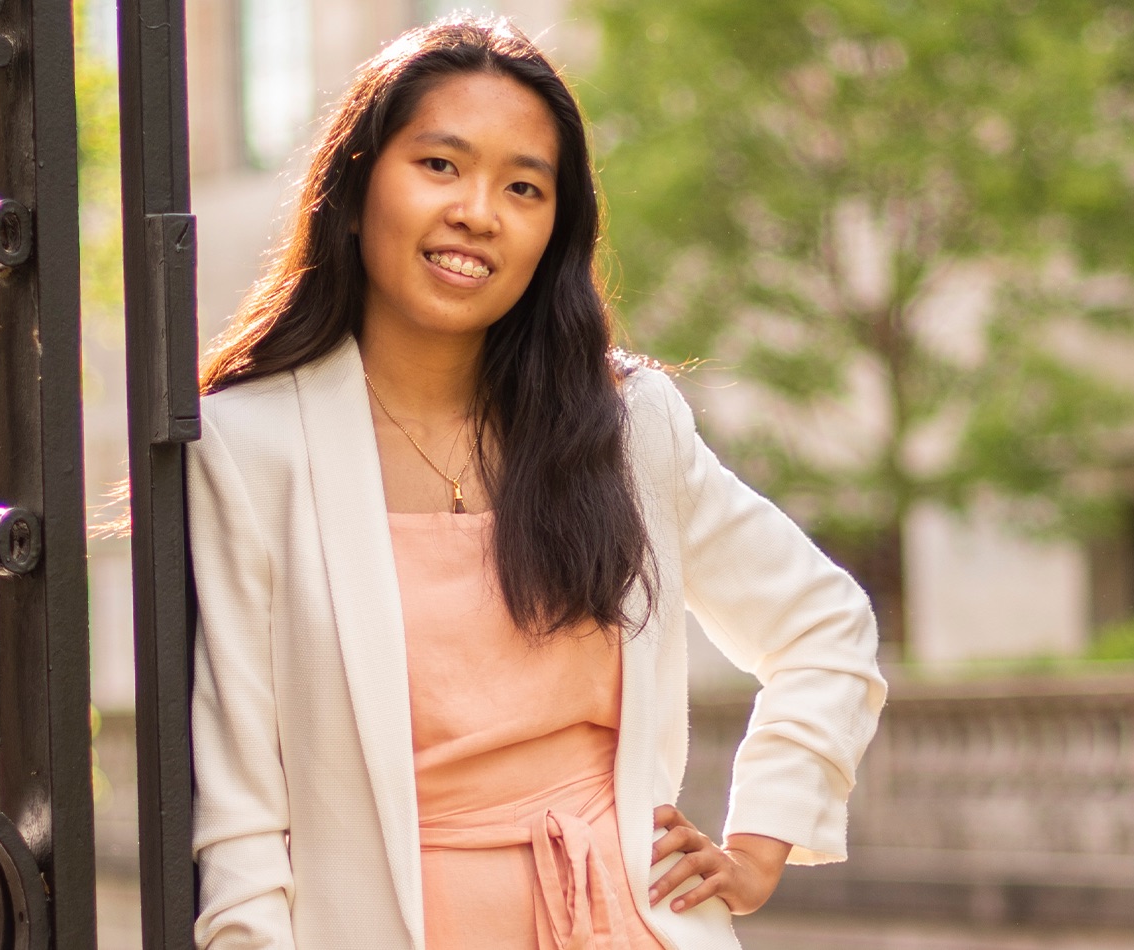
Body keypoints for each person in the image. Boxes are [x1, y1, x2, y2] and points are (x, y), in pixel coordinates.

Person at [188, 16, 885, 950]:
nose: (479, 210)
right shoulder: (248, 447)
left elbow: (823, 626)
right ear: (355, 192)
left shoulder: (626, 423)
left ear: (555, 229)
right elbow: (240, 825)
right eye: (440, 165)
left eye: (524, 186)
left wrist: (762, 842)